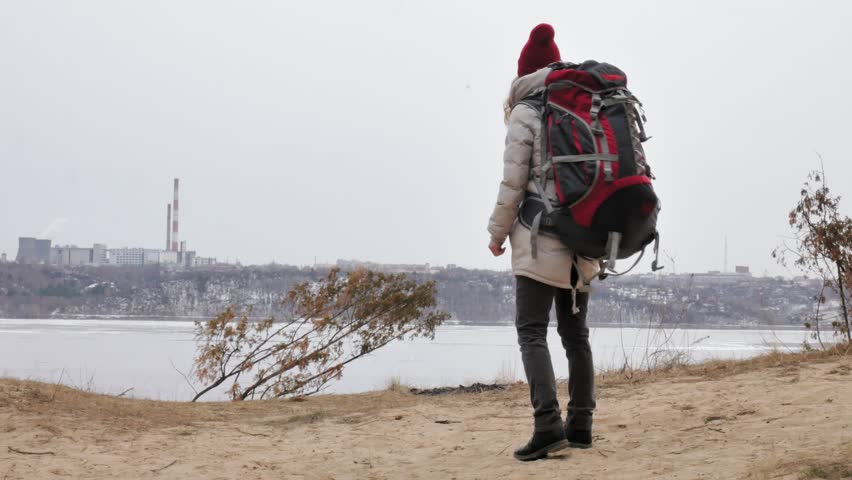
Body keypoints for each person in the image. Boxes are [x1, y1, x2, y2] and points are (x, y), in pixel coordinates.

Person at [487, 23, 600, 462]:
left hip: (539, 241)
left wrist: (497, 234)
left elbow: (512, 183)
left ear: (524, 73)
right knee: (576, 335)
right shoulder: (582, 106)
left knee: (531, 331)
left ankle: (548, 425)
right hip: (583, 238)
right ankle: (582, 425)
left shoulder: (525, 112)